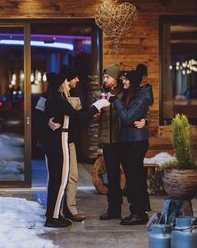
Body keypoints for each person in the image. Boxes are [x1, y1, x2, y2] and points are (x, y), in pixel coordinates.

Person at [44, 72, 110, 228]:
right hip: (61, 140)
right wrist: (97, 105)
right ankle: (53, 217)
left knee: (57, 180)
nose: (69, 83)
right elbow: (80, 118)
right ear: (61, 84)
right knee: (60, 180)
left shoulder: (54, 98)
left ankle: (53, 214)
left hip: (57, 140)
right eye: (66, 81)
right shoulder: (60, 100)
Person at [97, 64, 147, 221]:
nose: (104, 79)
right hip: (108, 141)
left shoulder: (125, 92)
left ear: (115, 79)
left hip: (124, 140)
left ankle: (137, 210)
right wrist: (95, 114)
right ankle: (113, 209)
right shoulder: (101, 94)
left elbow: (140, 109)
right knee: (111, 177)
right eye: (104, 77)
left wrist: (146, 121)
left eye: (107, 77)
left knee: (131, 175)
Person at [109, 70, 154, 225]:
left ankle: (138, 213)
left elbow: (127, 118)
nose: (124, 82)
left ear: (133, 82)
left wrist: (115, 101)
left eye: (126, 80)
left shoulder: (141, 99)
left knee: (134, 178)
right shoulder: (131, 94)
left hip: (137, 143)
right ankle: (140, 210)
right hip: (129, 142)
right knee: (134, 178)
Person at [58, 65, 86, 222]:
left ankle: (70, 208)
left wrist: (87, 115)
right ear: (68, 79)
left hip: (71, 141)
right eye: (75, 77)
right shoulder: (56, 94)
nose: (78, 80)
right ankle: (59, 210)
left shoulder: (75, 93)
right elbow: (40, 113)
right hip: (60, 142)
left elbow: (78, 116)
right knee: (61, 177)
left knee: (73, 176)